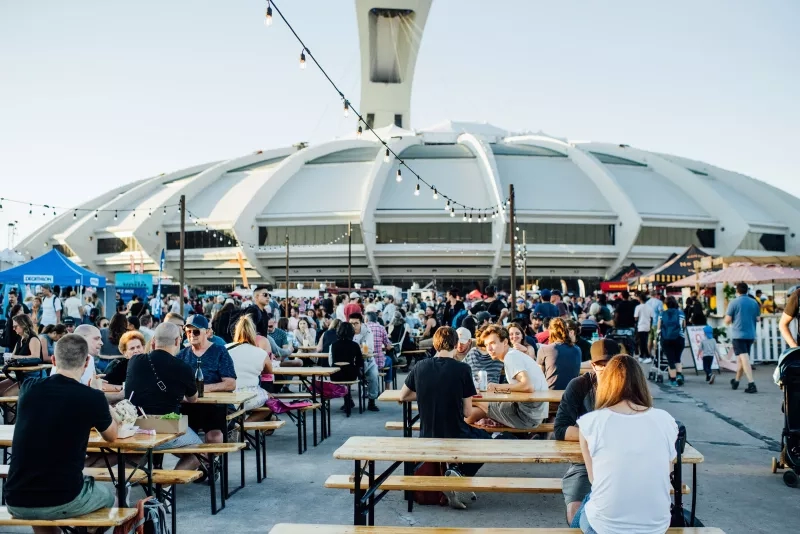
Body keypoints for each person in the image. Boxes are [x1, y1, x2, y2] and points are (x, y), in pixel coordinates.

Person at [4, 334, 118, 521]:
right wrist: (99, 394)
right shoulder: (91, 397)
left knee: (44, 509)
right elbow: (112, 436)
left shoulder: (29, 387)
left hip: (16, 499)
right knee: (108, 498)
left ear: (54, 360)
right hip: (64, 497)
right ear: (87, 361)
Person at [571, 354, 678, 533]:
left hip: (605, 526)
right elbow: (667, 472)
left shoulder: (590, 422)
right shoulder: (666, 420)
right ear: (641, 383)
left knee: (589, 502)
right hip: (656, 525)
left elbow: (594, 479)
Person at [399, 327, 486, 509]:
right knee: (487, 440)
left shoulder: (420, 365)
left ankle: (453, 477)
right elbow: (468, 413)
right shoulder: (463, 369)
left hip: (427, 434)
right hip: (455, 433)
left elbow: (403, 396)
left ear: (435, 344)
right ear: (456, 344)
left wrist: (427, 393)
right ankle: (457, 472)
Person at [554, 338, 619, 526]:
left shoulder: (628, 388)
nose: (606, 370)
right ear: (592, 365)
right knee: (575, 510)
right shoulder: (580, 385)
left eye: (611, 365)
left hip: (623, 461)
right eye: (601, 365)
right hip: (584, 461)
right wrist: (599, 437)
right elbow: (560, 429)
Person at [125, 322, 203, 469]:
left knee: (136, 453)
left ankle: (124, 488)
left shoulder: (134, 361)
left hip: (135, 428)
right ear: (177, 341)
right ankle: (167, 488)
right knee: (198, 453)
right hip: (166, 429)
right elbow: (193, 399)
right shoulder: (183, 368)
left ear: (153, 340)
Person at [466, 325, 549, 429]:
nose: (489, 348)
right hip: (534, 413)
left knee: (473, 402)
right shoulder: (513, 355)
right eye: (487, 345)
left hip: (525, 416)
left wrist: (497, 387)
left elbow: (528, 386)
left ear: (505, 342)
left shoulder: (511, 357)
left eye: (493, 343)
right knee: (474, 412)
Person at [177, 315, 237, 444]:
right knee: (180, 438)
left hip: (214, 406)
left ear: (207, 332)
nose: (192, 334)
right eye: (188, 331)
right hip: (189, 406)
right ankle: (199, 462)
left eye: (196, 331)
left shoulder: (219, 351)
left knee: (214, 437)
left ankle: (210, 463)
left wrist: (201, 389)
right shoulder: (182, 354)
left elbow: (230, 384)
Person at [227, 316, 272, 414]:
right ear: (253, 333)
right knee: (271, 401)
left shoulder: (224, 349)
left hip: (228, 396)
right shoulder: (261, 353)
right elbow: (269, 371)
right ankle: (242, 426)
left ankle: (238, 425)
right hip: (251, 396)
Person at [725, 282, 761, 394]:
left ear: (737, 291)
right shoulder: (754, 302)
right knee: (741, 359)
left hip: (738, 335)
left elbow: (727, 320)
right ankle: (736, 381)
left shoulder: (734, 303)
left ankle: (751, 383)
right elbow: (758, 319)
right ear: (747, 290)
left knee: (744, 359)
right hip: (750, 334)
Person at [537, 318, 581, 390]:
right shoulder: (577, 349)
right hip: (573, 393)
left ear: (551, 332)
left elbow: (539, 377)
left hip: (551, 394)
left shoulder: (544, 350)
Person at [329, 322, 364, 412]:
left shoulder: (333, 345)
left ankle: (347, 401)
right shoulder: (355, 345)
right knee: (348, 377)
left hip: (336, 374)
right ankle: (348, 401)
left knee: (342, 378)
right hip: (351, 374)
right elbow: (360, 362)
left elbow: (330, 362)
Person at [349, 313, 379, 411]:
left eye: (356, 323)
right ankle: (348, 401)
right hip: (351, 363)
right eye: (351, 323)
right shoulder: (347, 331)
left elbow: (369, 349)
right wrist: (359, 348)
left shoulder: (368, 332)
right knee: (342, 376)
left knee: (374, 376)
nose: (353, 326)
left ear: (361, 323)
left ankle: (372, 401)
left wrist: (355, 349)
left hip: (368, 361)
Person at [657, 296, 686, 387]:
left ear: (666, 304)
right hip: (679, 338)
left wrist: (658, 335)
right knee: (678, 358)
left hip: (666, 339)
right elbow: (684, 325)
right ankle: (679, 375)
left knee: (670, 360)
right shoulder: (680, 313)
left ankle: (673, 380)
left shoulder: (662, 314)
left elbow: (659, 326)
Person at [365, 311, 393, 385]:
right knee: (389, 360)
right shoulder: (381, 328)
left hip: (365, 363)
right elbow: (388, 346)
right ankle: (387, 386)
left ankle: (366, 386)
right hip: (379, 363)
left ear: (367, 319)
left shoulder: (363, 328)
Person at [634, 292, 653, 363]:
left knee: (642, 342)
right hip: (647, 326)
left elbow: (635, 318)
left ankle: (647, 356)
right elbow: (651, 318)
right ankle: (642, 355)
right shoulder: (649, 307)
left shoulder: (638, 307)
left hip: (641, 326)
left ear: (640, 298)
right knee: (644, 341)